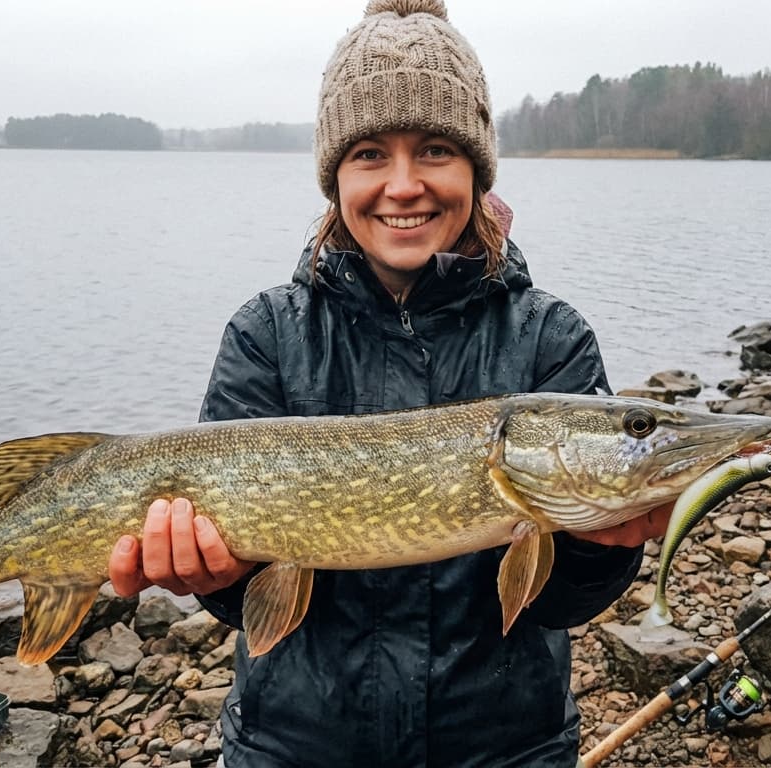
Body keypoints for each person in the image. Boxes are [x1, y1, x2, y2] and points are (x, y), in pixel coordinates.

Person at [108, 1, 671, 765]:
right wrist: (211, 575)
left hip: (505, 745)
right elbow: (244, 603)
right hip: (294, 743)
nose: (403, 185)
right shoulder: (267, 335)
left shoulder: (550, 337)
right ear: (334, 175)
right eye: (370, 153)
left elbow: (561, 604)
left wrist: (602, 549)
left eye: (436, 149)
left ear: (476, 168)